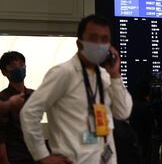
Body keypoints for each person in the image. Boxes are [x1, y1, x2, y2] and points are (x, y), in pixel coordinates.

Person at [20, 14, 133, 164]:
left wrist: (115, 75)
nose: (99, 44)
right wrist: (42, 155)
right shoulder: (64, 72)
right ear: (80, 43)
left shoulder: (105, 76)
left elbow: (123, 112)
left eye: (105, 39)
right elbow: (29, 112)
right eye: (93, 38)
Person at [0, 51, 35, 164]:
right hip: (15, 157)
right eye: (13, 66)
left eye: (21, 64)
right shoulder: (2, 98)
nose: (19, 68)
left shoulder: (34, 95)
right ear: (4, 72)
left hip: (36, 155)